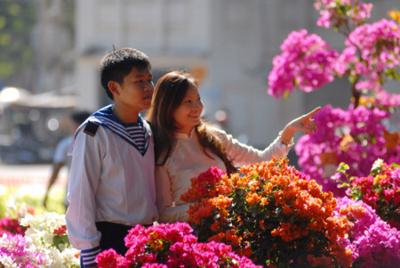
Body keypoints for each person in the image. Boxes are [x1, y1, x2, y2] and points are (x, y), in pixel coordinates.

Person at [147, 71, 320, 223]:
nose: (197, 107)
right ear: (168, 107)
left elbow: (262, 161)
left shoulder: (214, 137)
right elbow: (164, 213)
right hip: (189, 244)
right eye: (188, 102)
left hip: (227, 234)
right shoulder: (159, 149)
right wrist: (206, 207)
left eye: (198, 100)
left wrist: (289, 130)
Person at [66, 48, 158, 267]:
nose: (148, 88)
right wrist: (88, 250)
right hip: (110, 238)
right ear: (114, 87)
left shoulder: (147, 129)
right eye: (139, 81)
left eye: (149, 80)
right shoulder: (95, 131)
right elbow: (81, 193)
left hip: (144, 236)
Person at [43, 111, 90, 209]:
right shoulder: (98, 143)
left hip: (72, 195)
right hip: (95, 198)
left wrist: (47, 193)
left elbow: (55, 171)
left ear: (77, 125)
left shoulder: (66, 144)